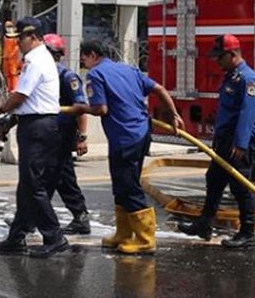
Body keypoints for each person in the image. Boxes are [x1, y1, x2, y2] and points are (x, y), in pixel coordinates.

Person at [71, 40, 184, 254]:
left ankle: (144, 238)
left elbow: (101, 109)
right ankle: (123, 233)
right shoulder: (128, 69)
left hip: (125, 137)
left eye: (84, 58)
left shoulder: (96, 75)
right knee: (121, 185)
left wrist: (81, 107)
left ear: (93, 55)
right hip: (140, 134)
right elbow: (158, 88)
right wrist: (173, 114)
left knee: (128, 186)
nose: (83, 63)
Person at [0, 17, 68, 259]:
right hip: (35, 124)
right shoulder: (38, 59)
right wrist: (10, 121)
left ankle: (54, 236)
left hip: (38, 128)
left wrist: (0, 107)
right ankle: (16, 237)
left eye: (20, 39)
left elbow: (21, 96)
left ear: (32, 37)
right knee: (27, 186)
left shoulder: (36, 60)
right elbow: (29, 102)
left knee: (33, 185)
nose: (17, 44)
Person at [178, 34, 255, 248]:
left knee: (241, 188)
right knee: (213, 180)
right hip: (224, 142)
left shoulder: (247, 79)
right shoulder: (231, 76)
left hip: (238, 145)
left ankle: (247, 233)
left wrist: (241, 143)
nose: (217, 61)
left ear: (232, 54)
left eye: (220, 57)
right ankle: (205, 224)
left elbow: (247, 113)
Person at [42, 33, 91, 235]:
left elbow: (81, 107)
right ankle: (79, 216)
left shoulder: (67, 77)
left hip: (62, 133)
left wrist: (82, 137)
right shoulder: (44, 74)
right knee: (60, 176)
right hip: (48, 133)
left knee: (50, 176)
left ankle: (31, 217)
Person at [2, 21, 21, 92]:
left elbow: (16, 48)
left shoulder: (15, 38)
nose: (8, 29)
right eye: (7, 27)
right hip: (6, 59)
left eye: (10, 27)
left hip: (12, 59)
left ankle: (14, 88)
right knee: (7, 74)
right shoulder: (5, 37)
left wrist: (10, 55)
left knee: (13, 74)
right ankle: (9, 88)